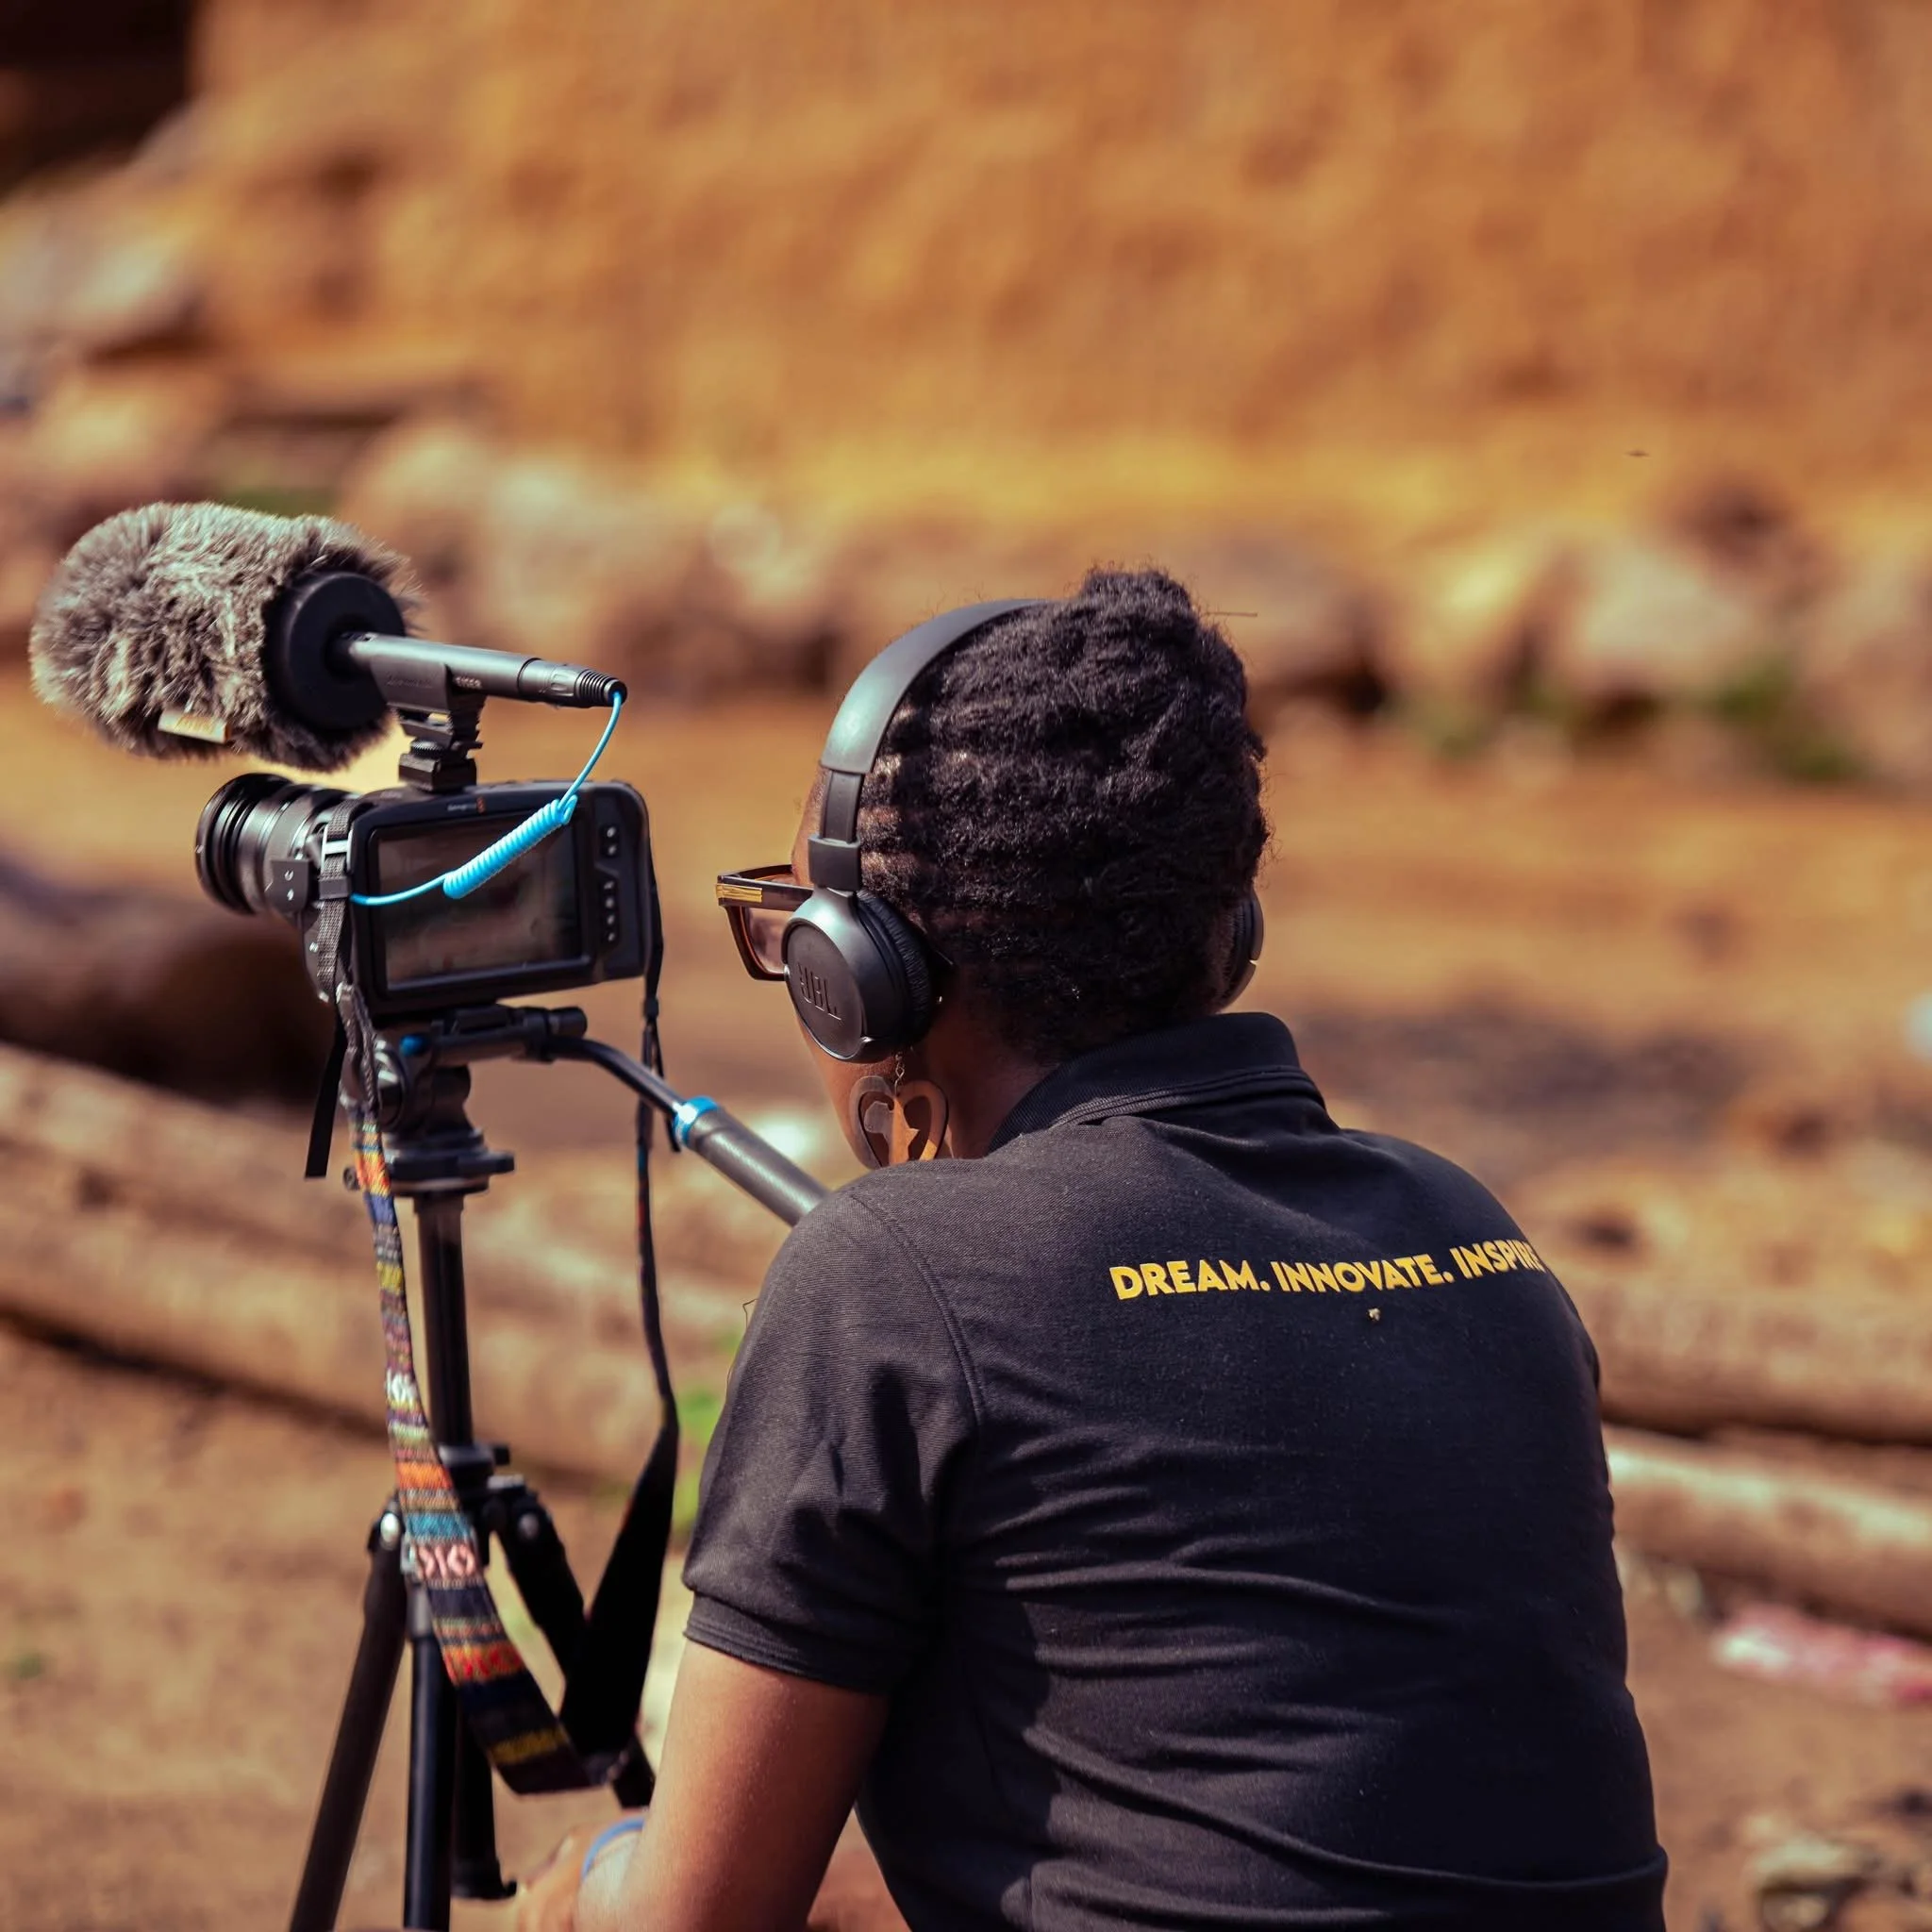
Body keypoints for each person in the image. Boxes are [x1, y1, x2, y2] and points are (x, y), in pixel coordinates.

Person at [528, 568, 1667, 1931]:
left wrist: (580, 1893)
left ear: (859, 973)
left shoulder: (888, 1273)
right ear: (1225, 932)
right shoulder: (1475, 1230)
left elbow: (692, 1920)